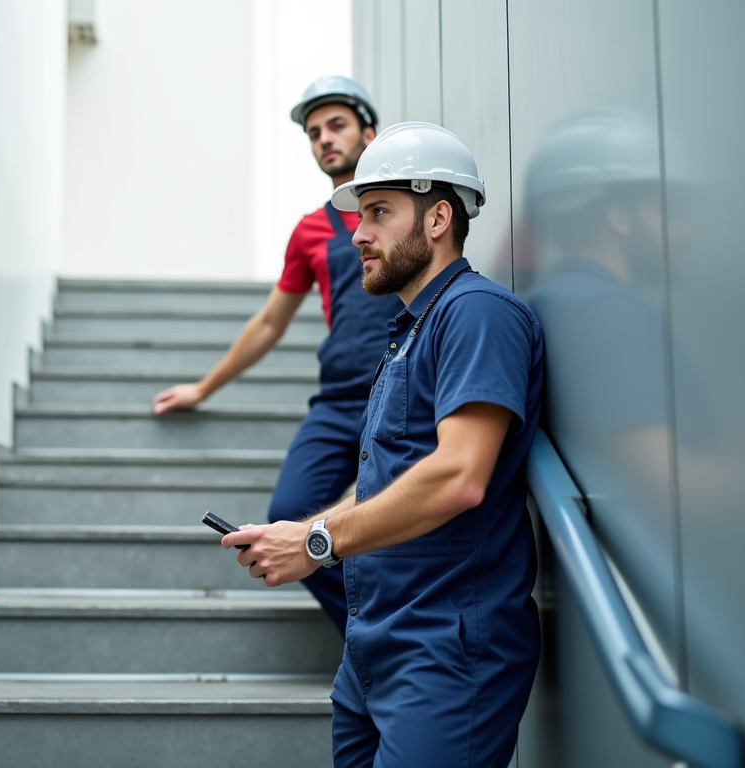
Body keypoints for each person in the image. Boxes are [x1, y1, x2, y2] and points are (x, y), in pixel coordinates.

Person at [223, 122, 544, 768]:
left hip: (445, 654)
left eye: (377, 214)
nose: (358, 234)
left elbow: (459, 476)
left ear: (438, 219)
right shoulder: (407, 333)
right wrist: (304, 530)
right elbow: (386, 481)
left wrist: (319, 542)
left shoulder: (478, 315)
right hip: (373, 650)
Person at [152, 75, 402, 632]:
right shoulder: (310, 231)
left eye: (336, 126)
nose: (323, 140)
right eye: (313, 133)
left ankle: (395, 644)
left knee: (388, 514)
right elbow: (270, 322)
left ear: (370, 132)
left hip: (401, 389)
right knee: (287, 520)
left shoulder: (400, 213)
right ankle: (379, 638)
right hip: (337, 400)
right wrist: (203, 387)